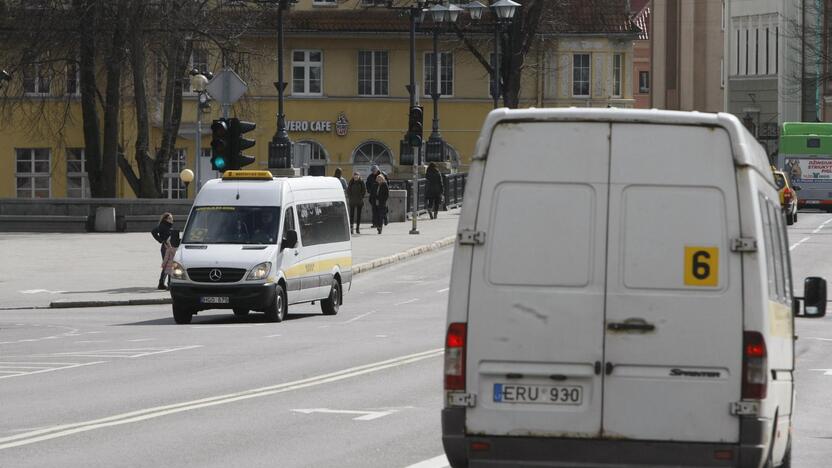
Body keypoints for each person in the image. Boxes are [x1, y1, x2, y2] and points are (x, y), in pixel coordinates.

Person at [151, 212, 174, 290]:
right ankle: (166, 284)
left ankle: (163, 283)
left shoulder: (169, 226)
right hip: (165, 248)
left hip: (170, 247)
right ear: (166, 219)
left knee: (169, 265)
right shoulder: (162, 226)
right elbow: (153, 231)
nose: (172, 219)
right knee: (168, 265)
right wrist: (161, 240)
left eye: (172, 218)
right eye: (170, 218)